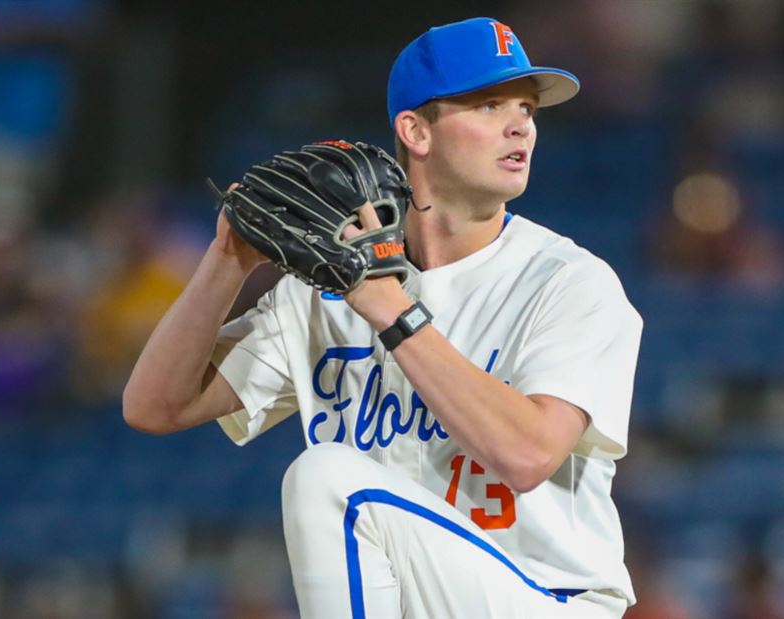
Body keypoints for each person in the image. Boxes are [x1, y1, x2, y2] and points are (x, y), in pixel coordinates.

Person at [124, 17, 643, 618]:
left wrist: (392, 311)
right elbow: (155, 406)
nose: (520, 123)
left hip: (547, 600)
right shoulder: (326, 288)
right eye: (490, 103)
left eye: (527, 108)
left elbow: (528, 456)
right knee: (336, 487)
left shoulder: (569, 281)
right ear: (415, 131)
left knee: (328, 480)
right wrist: (226, 261)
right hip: (413, 601)